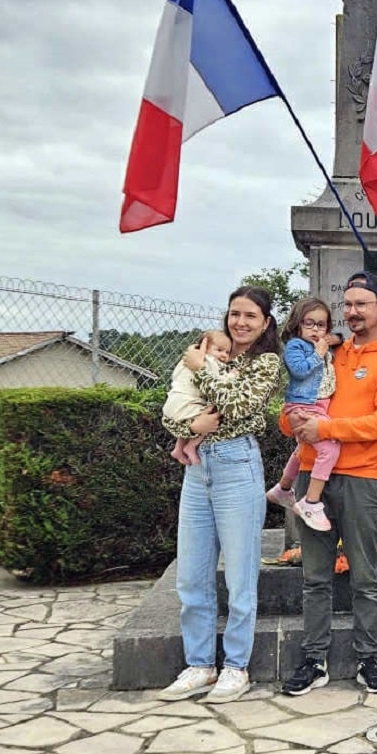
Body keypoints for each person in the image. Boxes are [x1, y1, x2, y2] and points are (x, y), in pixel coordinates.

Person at [278, 271, 377, 697]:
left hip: (360, 478)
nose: (353, 312)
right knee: (315, 577)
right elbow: (295, 401)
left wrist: (326, 429)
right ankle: (314, 659)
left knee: (364, 577)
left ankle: (368, 658)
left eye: (362, 304)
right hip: (311, 474)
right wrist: (293, 422)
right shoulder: (327, 351)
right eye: (348, 304)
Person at [157, 286, 282, 703]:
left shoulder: (265, 362)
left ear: (265, 322)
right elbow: (174, 407)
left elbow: (239, 405)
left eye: (250, 316)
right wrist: (191, 428)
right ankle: (199, 664)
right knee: (192, 575)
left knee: (240, 575)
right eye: (234, 314)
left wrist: (201, 368)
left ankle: (236, 667)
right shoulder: (210, 350)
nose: (240, 322)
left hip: (236, 465)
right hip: (197, 468)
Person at [265, 297, 338, 533]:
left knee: (302, 449)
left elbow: (340, 339)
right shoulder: (296, 346)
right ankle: (311, 502)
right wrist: (318, 353)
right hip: (304, 407)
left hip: (318, 406)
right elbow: (299, 370)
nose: (315, 329)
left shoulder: (323, 344)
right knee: (331, 448)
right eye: (309, 323)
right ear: (297, 325)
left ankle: (283, 488)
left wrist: (332, 341)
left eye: (321, 325)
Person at [162, 329, 233, 466]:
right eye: (219, 350)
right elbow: (217, 381)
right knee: (211, 417)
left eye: (227, 352)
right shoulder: (208, 361)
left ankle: (178, 448)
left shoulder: (186, 359)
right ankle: (191, 446)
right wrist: (232, 375)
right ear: (204, 348)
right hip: (186, 402)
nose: (224, 355)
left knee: (190, 420)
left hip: (173, 401)